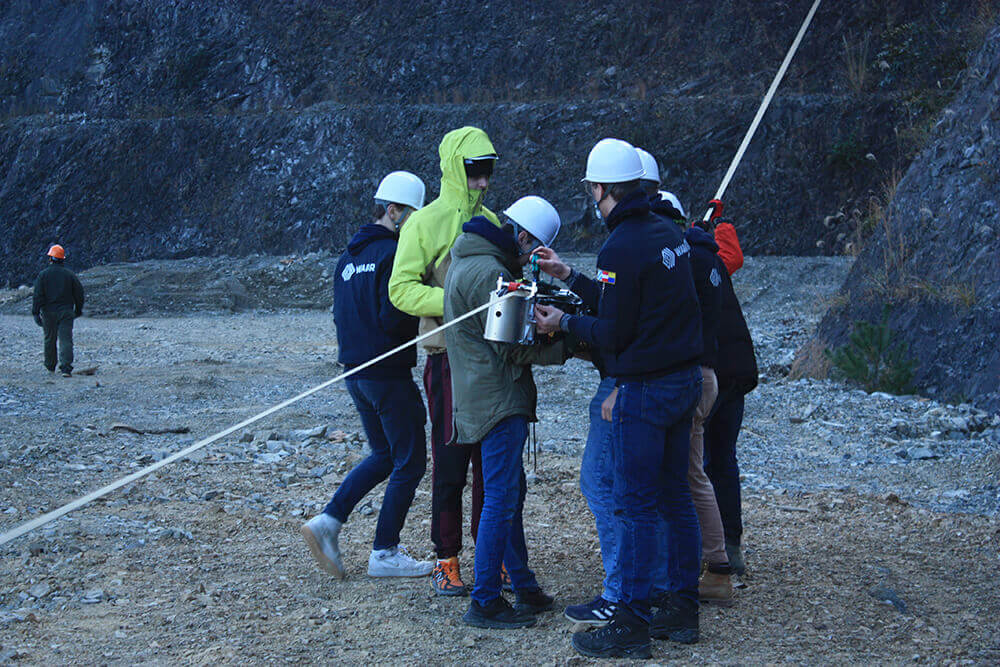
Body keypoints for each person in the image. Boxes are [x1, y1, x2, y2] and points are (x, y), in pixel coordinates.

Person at [534, 138, 704, 657]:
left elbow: (613, 330)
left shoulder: (621, 245)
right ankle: (682, 607)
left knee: (633, 506)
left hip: (644, 390)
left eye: (592, 189)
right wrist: (571, 277)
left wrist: (564, 322)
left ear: (602, 189)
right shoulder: (666, 232)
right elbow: (629, 301)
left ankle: (630, 621)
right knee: (674, 496)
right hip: (684, 381)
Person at [301, 171, 434, 579]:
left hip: (355, 374)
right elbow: (393, 318)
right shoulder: (393, 254)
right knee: (410, 462)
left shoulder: (347, 258)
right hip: (388, 374)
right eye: (412, 215)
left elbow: (341, 316)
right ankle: (385, 552)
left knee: (384, 455)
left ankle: (328, 521)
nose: (414, 224)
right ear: (393, 211)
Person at [443, 195, 567, 629]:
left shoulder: (467, 260)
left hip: (479, 395)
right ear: (524, 237)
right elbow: (511, 349)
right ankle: (486, 600)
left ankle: (524, 586)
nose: (532, 261)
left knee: (508, 492)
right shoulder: (490, 273)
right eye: (534, 252)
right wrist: (567, 340)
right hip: (498, 399)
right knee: (500, 498)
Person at [388, 126, 499, 595]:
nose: (483, 182)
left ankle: (492, 554)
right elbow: (400, 288)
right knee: (450, 460)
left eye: (488, 171)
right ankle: (446, 558)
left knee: (491, 464)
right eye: (475, 172)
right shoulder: (424, 222)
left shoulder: (491, 220)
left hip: (490, 359)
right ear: (455, 168)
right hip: (447, 358)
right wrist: (453, 302)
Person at [651, 189, 734, 605]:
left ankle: (713, 567)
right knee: (692, 474)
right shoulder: (706, 257)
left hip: (692, 375)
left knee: (687, 477)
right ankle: (714, 566)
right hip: (707, 373)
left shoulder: (685, 258)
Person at [698, 215, 758, 579]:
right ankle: (730, 546)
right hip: (737, 370)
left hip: (713, 371)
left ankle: (708, 552)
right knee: (723, 460)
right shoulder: (711, 258)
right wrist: (719, 226)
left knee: (693, 464)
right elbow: (732, 255)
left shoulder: (681, 260)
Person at [32, 245, 84, 378]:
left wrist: (36, 313)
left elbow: (38, 295)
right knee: (66, 339)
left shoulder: (43, 275)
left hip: (48, 313)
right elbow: (79, 294)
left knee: (49, 339)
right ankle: (66, 368)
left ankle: (50, 366)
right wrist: (78, 310)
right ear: (62, 259)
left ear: (50, 258)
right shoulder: (70, 275)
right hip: (66, 312)